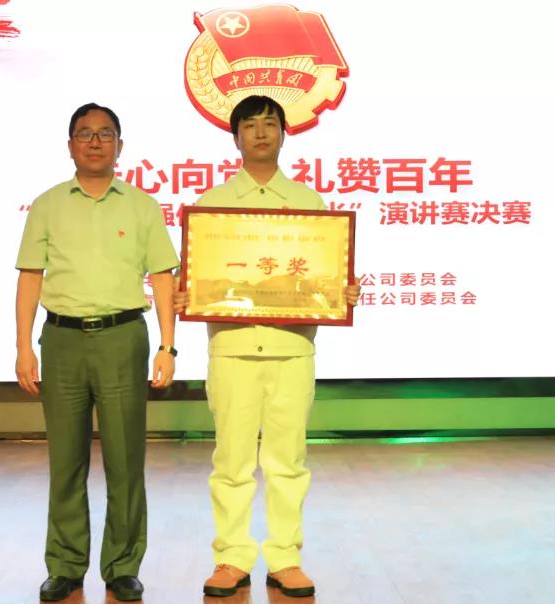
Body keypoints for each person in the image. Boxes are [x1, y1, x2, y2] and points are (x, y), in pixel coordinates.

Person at [174, 95, 361, 598]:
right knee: (231, 462)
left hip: (292, 350)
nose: (261, 133)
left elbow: (322, 279)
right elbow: (197, 281)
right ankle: (231, 558)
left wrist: (340, 292)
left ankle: (285, 558)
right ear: (235, 137)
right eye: (251, 125)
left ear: (284, 133)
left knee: (288, 462)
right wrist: (187, 295)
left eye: (270, 124)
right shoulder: (212, 205)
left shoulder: (308, 204)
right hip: (232, 350)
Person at [15, 102, 179, 602]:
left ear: (120, 146)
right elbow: (30, 277)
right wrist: (23, 347)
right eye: (84, 134)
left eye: (105, 134)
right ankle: (65, 565)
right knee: (65, 460)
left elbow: (163, 277)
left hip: (122, 337)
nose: (94, 142)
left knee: (126, 459)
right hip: (61, 339)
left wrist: (168, 346)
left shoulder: (141, 206)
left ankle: (122, 566)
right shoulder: (47, 205)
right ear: (70, 145)